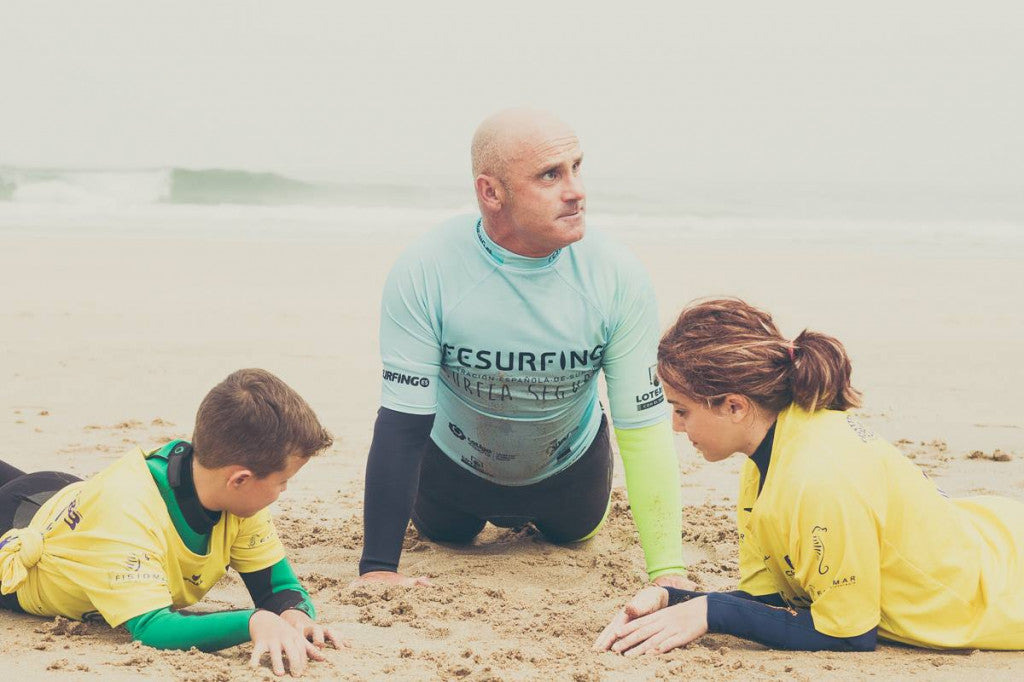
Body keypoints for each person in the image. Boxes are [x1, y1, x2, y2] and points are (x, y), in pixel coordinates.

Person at [358, 108, 689, 590]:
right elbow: (402, 422)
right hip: (451, 472)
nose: (576, 191)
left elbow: (642, 426)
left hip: (570, 474)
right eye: (550, 175)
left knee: (574, 535)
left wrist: (668, 573)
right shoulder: (427, 269)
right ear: (491, 192)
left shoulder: (617, 275)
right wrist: (378, 568)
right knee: (447, 535)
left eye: (577, 167)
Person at [594, 298, 1024, 655]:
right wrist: (676, 600)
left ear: (735, 406)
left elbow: (849, 633)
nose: (675, 426)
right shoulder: (769, 452)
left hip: (1006, 593)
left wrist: (712, 612)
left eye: (682, 410)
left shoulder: (818, 477)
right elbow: (775, 601)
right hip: (989, 537)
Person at [1, 368, 343, 677]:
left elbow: (277, 588)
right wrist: (253, 621)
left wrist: (294, 614)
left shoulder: (232, 498)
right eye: (283, 481)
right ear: (239, 479)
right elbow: (153, 626)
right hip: (16, 530)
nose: (283, 491)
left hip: (65, 498)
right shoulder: (127, 513)